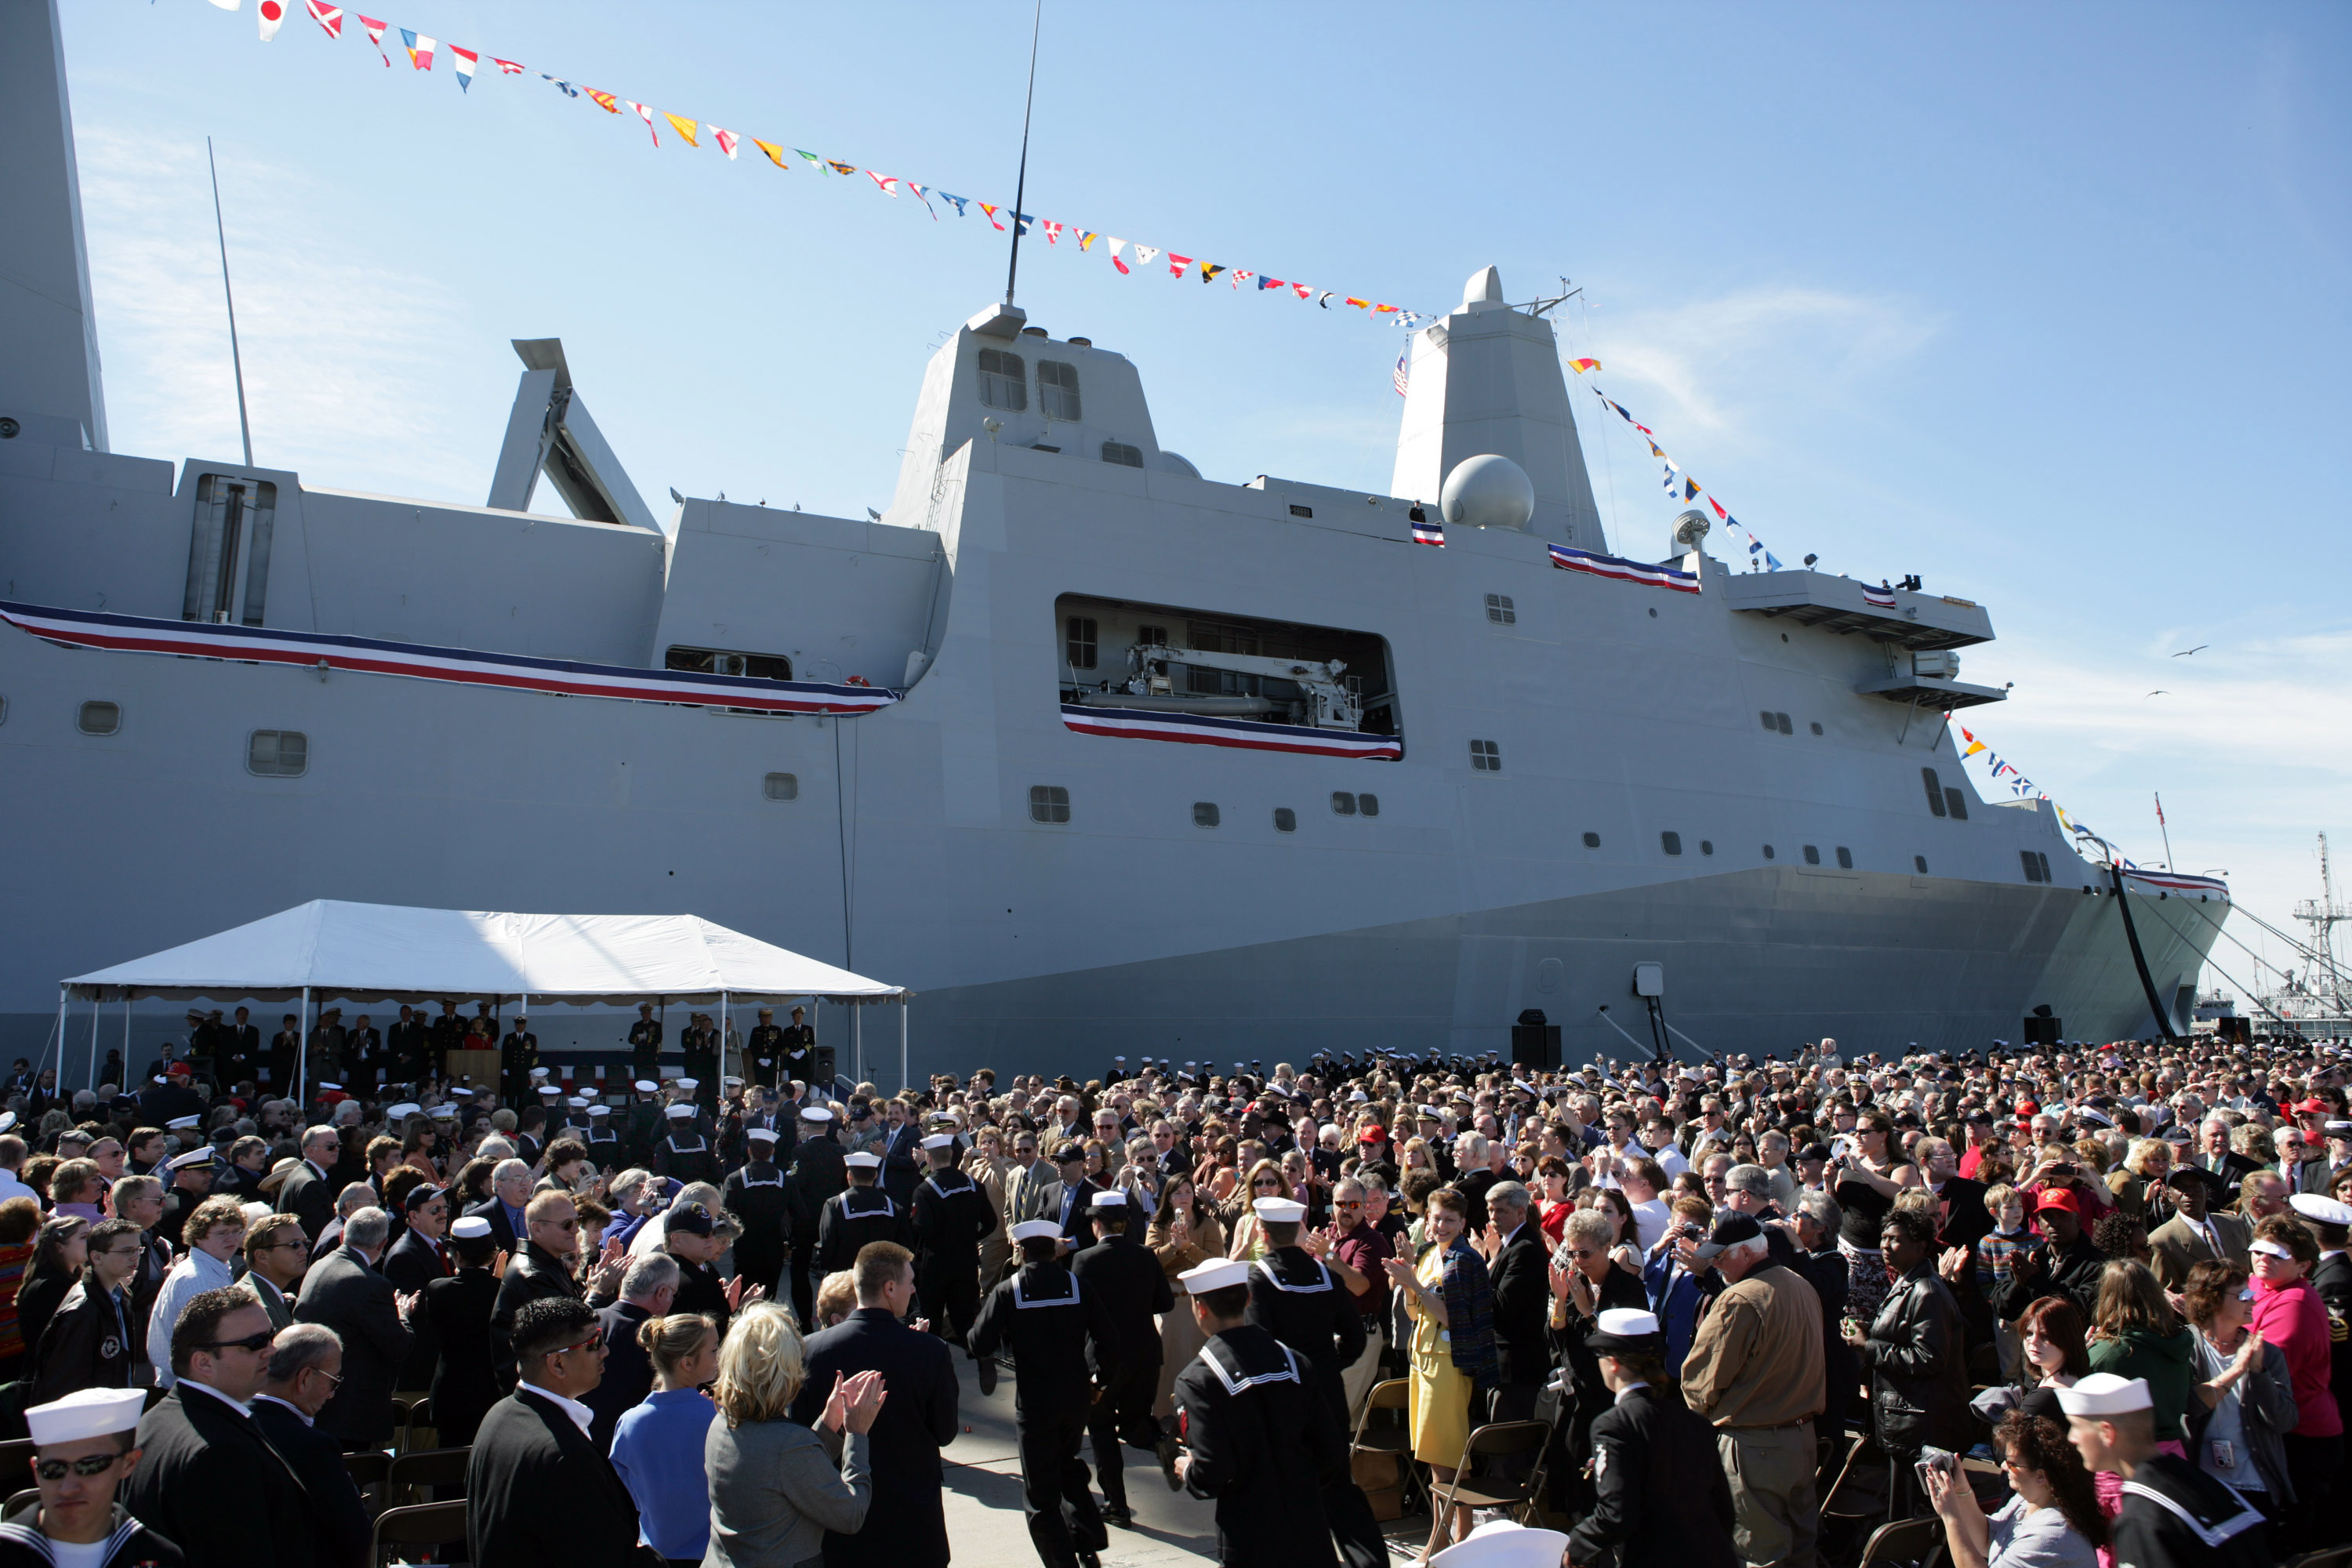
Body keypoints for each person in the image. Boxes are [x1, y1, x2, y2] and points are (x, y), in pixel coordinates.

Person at [789, 1240, 960, 1568]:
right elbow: (945, 1431)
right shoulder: (930, 1352)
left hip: (840, 1527)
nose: (913, 1290)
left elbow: (803, 1439)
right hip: (912, 1526)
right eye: (910, 1283)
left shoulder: (808, 1351)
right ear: (890, 1288)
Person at [120, 1285, 315, 1568]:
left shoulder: (154, 1420)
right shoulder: (221, 1455)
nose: (272, 1350)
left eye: (271, 1336)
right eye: (256, 1342)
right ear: (204, 1363)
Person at [1167, 1254, 1341, 1568]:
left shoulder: (1197, 1380)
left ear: (1200, 1308)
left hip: (1250, 1539)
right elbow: (1330, 1452)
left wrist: (1188, 1469)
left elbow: (1211, 1473)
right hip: (1309, 1530)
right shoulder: (1296, 1362)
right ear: (1248, 1299)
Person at [1679, 1211, 1825, 1568]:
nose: (1715, 1264)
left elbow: (1700, 1383)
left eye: (1721, 1256)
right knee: (1802, 1551)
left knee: (1758, 1554)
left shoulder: (1740, 1299)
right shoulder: (1800, 1284)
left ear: (1746, 1253)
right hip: (1801, 1440)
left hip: (1755, 1448)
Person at [970, 1218, 1117, 1568]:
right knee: (1066, 1464)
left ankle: (1062, 1559)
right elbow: (1109, 1340)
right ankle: (1087, 1537)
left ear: (1020, 1250)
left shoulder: (1010, 1290)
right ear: (1054, 1250)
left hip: (1036, 1403)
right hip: (1077, 1398)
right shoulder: (1078, 1286)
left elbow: (979, 1341)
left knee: (1040, 1494)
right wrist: (1100, 1380)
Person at [466, 1295, 646, 1568]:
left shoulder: (498, 1415)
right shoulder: (565, 1457)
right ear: (557, 1364)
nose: (605, 1351)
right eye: (594, 1343)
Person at [704, 1301, 883, 1568]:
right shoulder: (789, 1445)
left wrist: (829, 1421)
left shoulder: (721, 1423)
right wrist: (857, 1434)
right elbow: (850, 1515)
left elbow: (783, 1474)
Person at [1563, 1307, 1738, 1568]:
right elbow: (1724, 1508)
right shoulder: (1695, 1422)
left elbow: (1616, 1514)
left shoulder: (1613, 1426)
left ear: (1613, 1362)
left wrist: (1575, 1548)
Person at [1380, 1186, 1496, 1562]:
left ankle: (1443, 1540)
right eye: (1436, 1218)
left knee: (1445, 1456)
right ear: (1426, 1221)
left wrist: (1412, 1283)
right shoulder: (1431, 1255)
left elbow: (1453, 1318)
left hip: (1449, 1364)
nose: (1442, 1225)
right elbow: (1416, 1313)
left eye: (1449, 1219)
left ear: (1463, 1223)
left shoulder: (1464, 1259)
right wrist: (1410, 1274)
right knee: (1436, 1457)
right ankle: (1458, 1534)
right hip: (1424, 1359)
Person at [2060, 1371, 2268, 1568]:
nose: (2072, 1438)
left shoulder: (2141, 1518)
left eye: (2076, 1426)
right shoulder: (2207, 1484)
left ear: (2107, 1432)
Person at [1065, 1191, 1174, 1528]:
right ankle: (1158, 1441)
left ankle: (1117, 1504)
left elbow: (1076, 1313)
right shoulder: (1145, 1256)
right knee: (1134, 1422)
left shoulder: (1084, 1260)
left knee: (1100, 1428)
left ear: (1096, 1224)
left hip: (1103, 1361)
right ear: (1125, 1223)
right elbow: (1165, 1303)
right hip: (1144, 1355)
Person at [2244, 1214, 2342, 1551]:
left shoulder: (2296, 1302)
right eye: (2258, 1250)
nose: (2262, 1259)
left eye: (2276, 1255)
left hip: (2304, 1438)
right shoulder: (2261, 1283)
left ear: (2302, 1266)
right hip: (2281, 1430)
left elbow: (2265, 1366)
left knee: (2295, 1539)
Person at [5, 1386, 182, 1568]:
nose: (68, 1488)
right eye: (53, 1469)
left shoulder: (160, 1559)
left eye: (91, 1466)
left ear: (128, 1463)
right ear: (36, 1470)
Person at [2179, 1260, 2298, 1516]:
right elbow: (2189, 1408)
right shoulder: (2184, 1348)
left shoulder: (2267, 1354)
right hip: (2203, 1487)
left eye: (2252, 1293)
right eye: (2243, 1295)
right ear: (2212, 1300)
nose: (2253, 1301)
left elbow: (2285, 1420)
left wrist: (2258, 1372)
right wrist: (2237, 1370)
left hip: (2256, 1487)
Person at [249, 1323, 369, 1568]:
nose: (331, 1395)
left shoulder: (228, 1420)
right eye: (333, 1382)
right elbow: (355, 1536)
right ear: (304, 1378)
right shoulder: (312, 1447)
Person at [1923, 1409, 2105, 1568]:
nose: (2003, 1466)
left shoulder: (2047, 1535)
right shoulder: (2027, 1501)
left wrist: (1951, 1517)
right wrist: (1962, 1491)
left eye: (2012, 1463)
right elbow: (1987, 1540)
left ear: (2041, 1476)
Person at [610, 1312, 722, 1566]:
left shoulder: (629, 1422)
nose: (719, 1357)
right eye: (714, 1350)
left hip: (654, 1552)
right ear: (687, 1363)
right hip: (711, 1553)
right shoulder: (717, 1419)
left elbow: (625, 1491)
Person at [29, 1218, 145, 1406]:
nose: (135, 1257)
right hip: (89, 1420)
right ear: (97, 1257)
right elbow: (67, 1385)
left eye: (138, 1250)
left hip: (113, 1411)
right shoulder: (82, 1311)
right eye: (126, 1251)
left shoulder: (121, 1296)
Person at [418, 1214, 503, 1446]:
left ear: (456, 1254)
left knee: (448, 1470)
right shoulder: (502, 1291)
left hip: (451, 1397)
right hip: (492, 1395)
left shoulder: (438, 1290)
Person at [143, 1197, 245, 1388]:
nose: (232, 1239)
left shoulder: (212, 1268)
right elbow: (206, 1344)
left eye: (236, 1231)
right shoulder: (198, 1279)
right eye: (222, 1233)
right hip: (192, 1387)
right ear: (199, 1236)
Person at [586, 1253, 680, 1454]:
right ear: (662, 1292)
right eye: (674, 1294)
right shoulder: (658, 1339)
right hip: (631, 1449)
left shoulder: (589, 1321)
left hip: (582, 1442)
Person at [909, 1131, 993, 1344]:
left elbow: (922, 1229)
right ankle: (980, 1359)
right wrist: (970, 1236)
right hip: (966, 1260)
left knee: (931, 1320)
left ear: (928, 1159)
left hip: (935, 1264)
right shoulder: (974, 1185)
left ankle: (933, 1365)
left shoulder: (924, 1190)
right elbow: (991, 1222)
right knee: (965, 1319)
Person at [720, 1126, 794, 1301]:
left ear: (749, 1150)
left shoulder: (735, 1179)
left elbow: (725, 1214)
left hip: (744, 1248)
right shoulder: (785, 1180)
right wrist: (791, 1243)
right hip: (774, 1248)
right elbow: (800, 1215)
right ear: (772, 1151)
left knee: (743, 1299)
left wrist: (726, 1241)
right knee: (768, 1299)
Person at [2147, 1167, 2249, 1289]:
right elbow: (2164, 1293)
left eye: (2195, 1186)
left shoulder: (2235, 1224)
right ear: (2170, 1196)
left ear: (2206, 1191)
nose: (2189, 1192)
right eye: (2181, 1188)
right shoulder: (2162, 1241)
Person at [815, 1151, 910, 1274]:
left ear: (849, 1175)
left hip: (844, 1277)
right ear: (875, 1175)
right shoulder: (894, 1207)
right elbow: (904, 1247)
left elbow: (827, 1245)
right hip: (882, 1278)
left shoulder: (834, 1205)